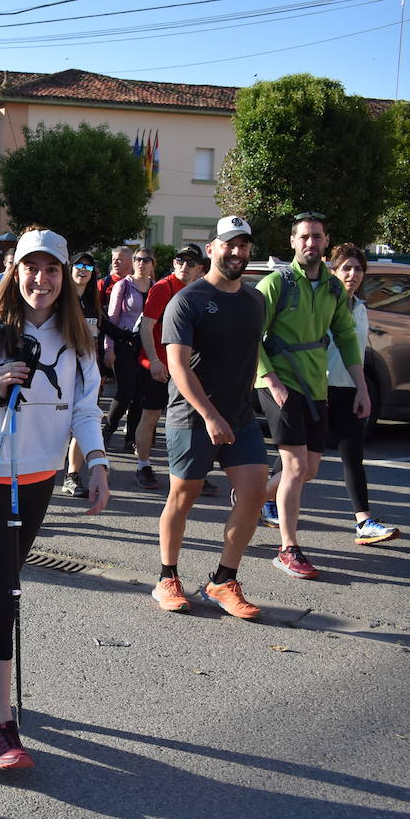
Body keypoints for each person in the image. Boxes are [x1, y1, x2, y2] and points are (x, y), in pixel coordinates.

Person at [0, 227, 109, 769]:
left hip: (39, 476)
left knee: (4, 578)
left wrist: (98, 463)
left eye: (53, 270)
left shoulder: (79, 336)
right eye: (31, 268)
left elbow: (85, 409)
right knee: (6, 588)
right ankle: (4, 727)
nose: (41, 280)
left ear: (66, 278)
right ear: (15, 272)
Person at [151, 217, 267, 618]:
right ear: (212, 248)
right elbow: (178, 366)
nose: (237, 252)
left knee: (253, 492)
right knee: (183, 497)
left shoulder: (256, 300)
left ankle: (223, 581)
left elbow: (250, 355)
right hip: (192, 416)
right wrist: (210, 414)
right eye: (229, 244)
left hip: (238, 416)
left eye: (244, 245)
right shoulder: (187, 300)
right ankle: (167, 577)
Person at [254, 212, 369, 579]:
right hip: (279, 384)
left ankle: (253, 497)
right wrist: (271, 380)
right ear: (293, 241)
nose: (311, 243)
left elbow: (347, 338)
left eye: (317, 237)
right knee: (296, 466)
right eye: (304, 237)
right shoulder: (276, 283)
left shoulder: (334, 289)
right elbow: (250, 337)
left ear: (325, 240)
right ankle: (288, 548)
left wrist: (361, 387)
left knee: (312, 468)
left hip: (314, 386)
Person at [262, 242, 397, 548]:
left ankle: (363, 521)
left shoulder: (359, 308)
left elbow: (355, 349)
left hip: (347, 388)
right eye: (346, 268)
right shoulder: (320, 297)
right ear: (332, 270)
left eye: (359, 268)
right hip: (312, 387)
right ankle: (268, 510)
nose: (353, 274)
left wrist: (362, 388)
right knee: (294, 464)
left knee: (343, 458)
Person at [133, 245, 208, 491]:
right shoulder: (162, 288)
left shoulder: (200, 291)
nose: (184, 266)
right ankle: (143, 466)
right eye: (180, 261)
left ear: (200, 268)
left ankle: (191, 471)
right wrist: (154, 360)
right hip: (159, 364)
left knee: (191, 420)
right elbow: (146, 327)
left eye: (190, 262)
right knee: (151, 416)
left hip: (186, 367)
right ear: (174, 263)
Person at [61, 251, 130, 497]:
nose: (83, 269)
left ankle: (71, 476)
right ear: (70, 269)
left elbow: (106, 327)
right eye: (78, 265)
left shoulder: (91, 301)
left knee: (84, 423)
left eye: (88, 267)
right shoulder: (60, 300)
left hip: (88, 373)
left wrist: (132, 336)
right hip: (59, 373)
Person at [103, 247, 156, 453]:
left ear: (153, 264)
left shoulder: (156, 287)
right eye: (138, 259)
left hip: (146, 347)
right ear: (133, 263)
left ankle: (132, 438)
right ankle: (108, 430)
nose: (142, 263)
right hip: (123, 344)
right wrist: (109, 348)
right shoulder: (123, 286)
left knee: (140, 394)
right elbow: (111, 320)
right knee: (125, 391)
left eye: (146, 260)